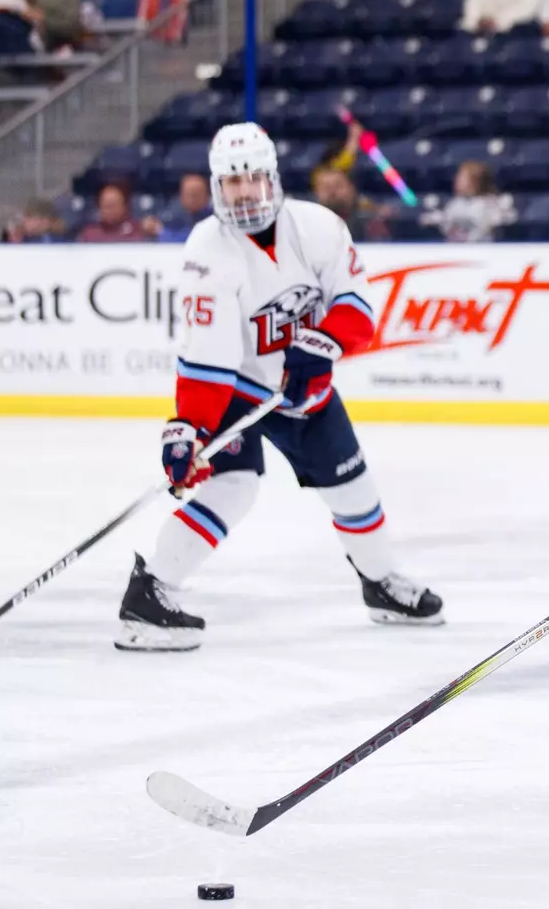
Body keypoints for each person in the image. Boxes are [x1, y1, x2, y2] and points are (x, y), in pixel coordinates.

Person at [115, 124, 444, 651]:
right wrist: (189, 428)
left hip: (305, 390)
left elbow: (356, 304)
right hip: (240, 390)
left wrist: (323, 343)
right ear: (217, 187)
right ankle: (150, 594)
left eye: (253, 178)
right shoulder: (208, 249)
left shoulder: (319, 227)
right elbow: (209, 356)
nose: (245, 192)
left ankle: (381, 584)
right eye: (232, 182)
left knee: (353, 488)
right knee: (232, 487)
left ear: (273, 178)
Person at [311, 165, 389, 242]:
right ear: (316, 192)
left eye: (338, 186)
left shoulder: (370, 219)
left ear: (352, 188)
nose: (332, 192)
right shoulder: (309, 223)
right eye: (326, 187)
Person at [441, 160, 506, 242]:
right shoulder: (454, 203)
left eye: (462, 178)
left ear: (475, 181)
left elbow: (487, 229)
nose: (457, 180)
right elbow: (447, 227)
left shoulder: (490, 204)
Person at [77, 182, 152, 242]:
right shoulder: (89, 234)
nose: (110, 211)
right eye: (106, 207)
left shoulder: (136, 231)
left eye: (113, 206)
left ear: (123, 207)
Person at [156, 172, 214, 243]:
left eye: (196, 195)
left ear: (207, 196)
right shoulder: (170, 217)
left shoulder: (214, 218)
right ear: (181, 195)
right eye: (188, 194)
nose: (192, 199)